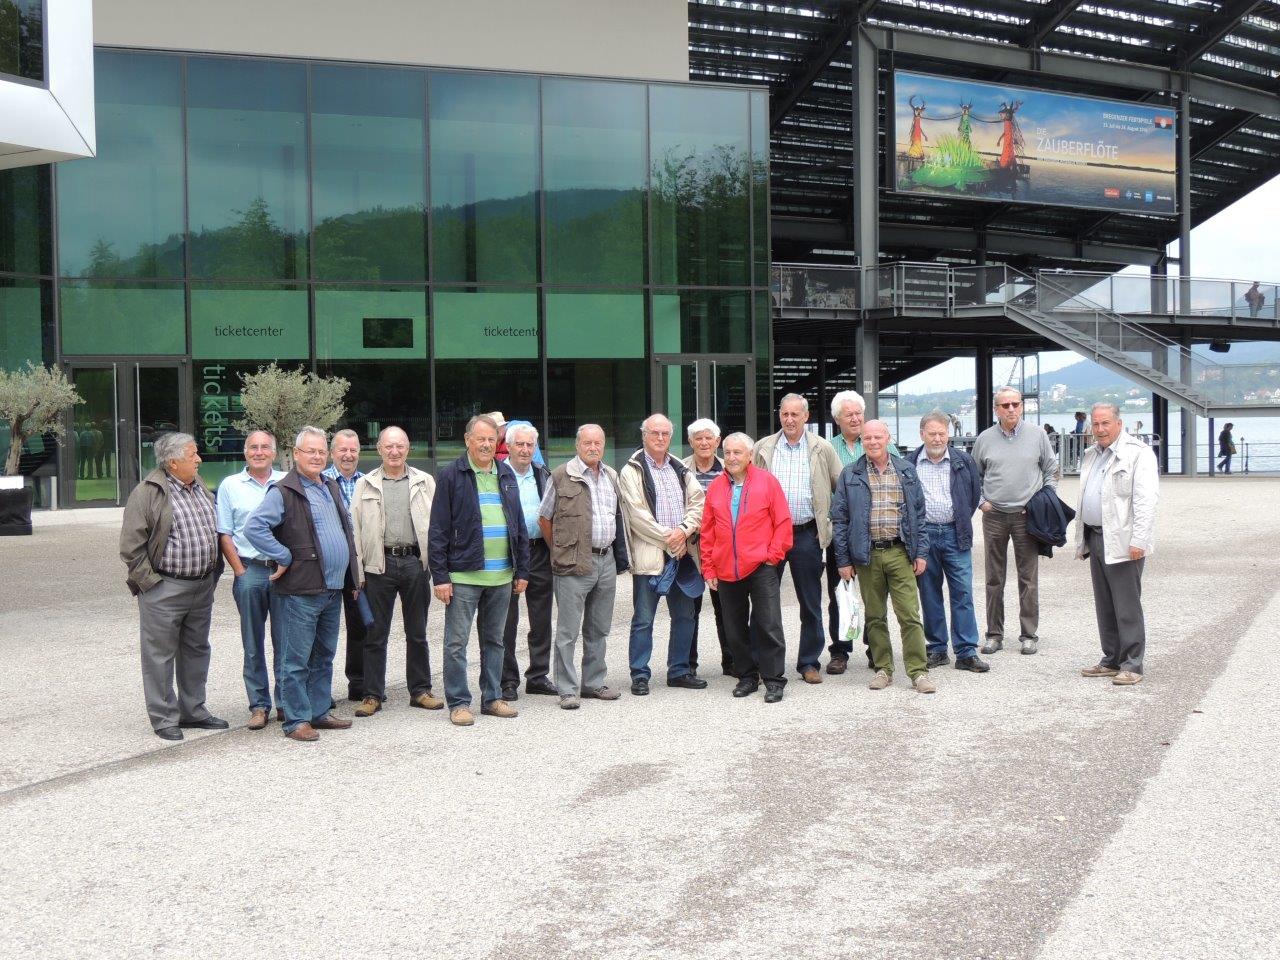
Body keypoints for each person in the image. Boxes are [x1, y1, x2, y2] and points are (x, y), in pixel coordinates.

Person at [245, 426, 361, 742]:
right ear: (296, 454)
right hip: (301, 590)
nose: (317, 457)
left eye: (322, 451)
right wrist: (283, 555)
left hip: (332, 588)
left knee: (323, 656)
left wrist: (352, 576)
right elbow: (254, 528)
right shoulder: (283, 491)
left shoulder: (330, 486)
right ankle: (296, 720)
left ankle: (318, 712)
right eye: (311, 451)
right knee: (295, 660)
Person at [119, 432, 228, 740]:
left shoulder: (198, 486)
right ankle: (164, 717)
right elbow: (131, 547)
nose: (199, 459)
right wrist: (150, 585)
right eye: (192, 455)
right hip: (164, 587)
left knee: (197, 650)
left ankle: (193, 710)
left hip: (201, 586)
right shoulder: (147, 492)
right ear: (173, 462)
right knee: (159, 655)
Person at [428, 414, 529, 727]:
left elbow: (519, 525)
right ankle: (459, 702)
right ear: (467, 440)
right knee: (456, 644)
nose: (486, 444)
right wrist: (440, 576)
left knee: (495, 641)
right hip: (464, 576)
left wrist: (522, 570)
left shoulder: (505, 473)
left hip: (502, 576)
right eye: (480, 439)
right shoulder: (451, 475)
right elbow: (438, 529)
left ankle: (492, 698)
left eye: (491, 439)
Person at [831, 420, 935, 694]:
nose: (873, 442)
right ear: (862, 441)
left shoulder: (906, 470)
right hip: (866, 555)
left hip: (900, 552)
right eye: (867, 438)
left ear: (888, 438)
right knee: (875, 617)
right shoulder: (850, 474)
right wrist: (843, 560)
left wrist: (921, 552)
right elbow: (840, 519)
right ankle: (883, 669)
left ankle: (918, 671)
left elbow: (919, 515)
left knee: (909, 614)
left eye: (878, 437)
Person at [349, 426, 443, 718]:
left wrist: (437, 567)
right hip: (380, 565)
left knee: (417, 632)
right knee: (375, 634)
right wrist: (359, 574)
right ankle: (372, 694)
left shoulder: (424, 482)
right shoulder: (365, 484)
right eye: (388, 446)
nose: (394, 451)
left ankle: (421, 691)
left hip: (415, 563)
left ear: (408, 448)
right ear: (379, 449)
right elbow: (355, 531)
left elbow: (438, 525)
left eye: (399, 446)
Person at [539, 424, 631, 709]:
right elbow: (544, 518)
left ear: (603, 445)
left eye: (598, 443)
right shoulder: (560, 476)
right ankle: (567, 689)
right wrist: (560, 549)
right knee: (568, 631)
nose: (593, 448)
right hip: (572, 562)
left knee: (599, 628)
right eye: (587, 443)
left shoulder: (611, 475)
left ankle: (593, 682)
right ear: (577, 445)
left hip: (606, 560)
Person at [752, 393, 842, 683]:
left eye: (795, 414)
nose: (789, 420)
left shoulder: (822, 448)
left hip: (806, 534)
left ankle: (809, 662)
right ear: (779, 415)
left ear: (806, 416)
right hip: (770, 536)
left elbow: (840, 487)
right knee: (764, 601)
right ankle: (762, 662)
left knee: (810, 601)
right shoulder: (763, 448)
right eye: (784, 414)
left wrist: (827, 523)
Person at [700, 433, 793, 702]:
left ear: (750, 455)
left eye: (737, 452)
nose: (731, 458)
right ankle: (747, 676)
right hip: (726, 568)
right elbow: (707, 531)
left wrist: (773, 556)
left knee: (768, 623)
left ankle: (773, 679)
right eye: (728, 452)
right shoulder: (716, 487)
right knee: (734, 628)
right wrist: (709, 568)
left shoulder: (767, 482)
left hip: (761, 566)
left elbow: (783, 522)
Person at [620, 413, 707, 696]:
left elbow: (698, 503)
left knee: (685, 616)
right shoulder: (632, 470)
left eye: (665, 434)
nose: (660, 438)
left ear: (671, 437)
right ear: (644, 435)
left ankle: (679, 671)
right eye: (654, 433)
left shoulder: (679, 468)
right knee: (643, 619)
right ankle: (640, 674)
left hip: (681, 555)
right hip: (652, 556)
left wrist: (683, 531)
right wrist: (671, 539)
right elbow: (636, 516)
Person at [971, 388, 1059, 657]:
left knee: (1028, 578)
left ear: (1021, 406)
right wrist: (982, 502)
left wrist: (1045, 499)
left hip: (1026, 515)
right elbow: (974, 476)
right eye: (1005, 405)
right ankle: (994, 634)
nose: (1011, 409)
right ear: (996, 409)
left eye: (1015, 404)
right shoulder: (984, 439)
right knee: (993, 578)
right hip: (994, 515)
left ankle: (1028, 635)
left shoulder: (1038, 435)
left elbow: (1051, 469)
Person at [1075, 403, 1158, 686]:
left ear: (1119, 424)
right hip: (1096, 536)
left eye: (1105, 423)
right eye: (1096, 424)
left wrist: (1139, 539)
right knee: (1105, 603)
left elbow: (1146, 500)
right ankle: (1111, 659)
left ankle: (1132, 664)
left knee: (1126, 604)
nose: (1100, 429)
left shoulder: (1138, 453)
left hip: (1123, 539)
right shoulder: (1091, 454)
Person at [215, 430, 286, 730]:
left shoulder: (286, 482)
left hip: (284, 572)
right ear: (245, 452)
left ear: (274, 452)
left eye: (265, 447)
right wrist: (239, 570)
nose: (259, 452)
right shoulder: (230, 485)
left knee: (286, 641)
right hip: (250, 570)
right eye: (253, 447)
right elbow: (224, 533)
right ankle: (259, 705)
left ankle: (285, 702)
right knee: (253, 642)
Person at [908, 411, 987, 673]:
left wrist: (961, 519)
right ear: (922, 434)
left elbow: (973, 494)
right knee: (929, 593)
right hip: (924, 536)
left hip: (956, 533)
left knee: (962, 592)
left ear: (948, 434)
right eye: (932, 433)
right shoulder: (910, 463)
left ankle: (966, 651)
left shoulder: (963, 461)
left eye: (942, 433)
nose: (938, 438)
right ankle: (937, 648)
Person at [827, 389, 900, 672]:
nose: (856, 419)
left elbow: (899, 479)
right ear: (837, 419)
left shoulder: (879, 442)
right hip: (842, 531)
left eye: (859, 413)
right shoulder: (827, 448)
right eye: (849, 415)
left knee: (876, 595)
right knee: (840, 593)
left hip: (875, 533)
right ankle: (840, 651)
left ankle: (875, 649)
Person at [500, 422, 556, 700]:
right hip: (507, 553)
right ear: (508, 446)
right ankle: (507, 680)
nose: (525, 449)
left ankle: (538, 676)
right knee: (506, 620)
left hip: (539, 551)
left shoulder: (543, 473)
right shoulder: (497, 474)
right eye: (519, 444)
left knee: (541, 618)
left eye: (529, 445)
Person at [682, 418, 731, 677]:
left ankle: (732, 661)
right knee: (689, 609)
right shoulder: (679, 469)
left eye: (708, 438)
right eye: (698, 438)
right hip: (690, 547)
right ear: (690, 442)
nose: (703, 443)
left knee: (726, 607)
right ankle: (688, 665)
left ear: (717, 441)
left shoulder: (730, 468)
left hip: (721, 549)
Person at [322, 428, 368, 701]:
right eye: (342, 450)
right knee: (323, 628)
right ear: (332, 453)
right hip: (327, 564)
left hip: (356, 565)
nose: (348, 455)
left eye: (353, 450)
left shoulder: (368, 482)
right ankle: (320, 691)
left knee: (360, 625)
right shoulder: (319, 481)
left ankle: (359, 684)